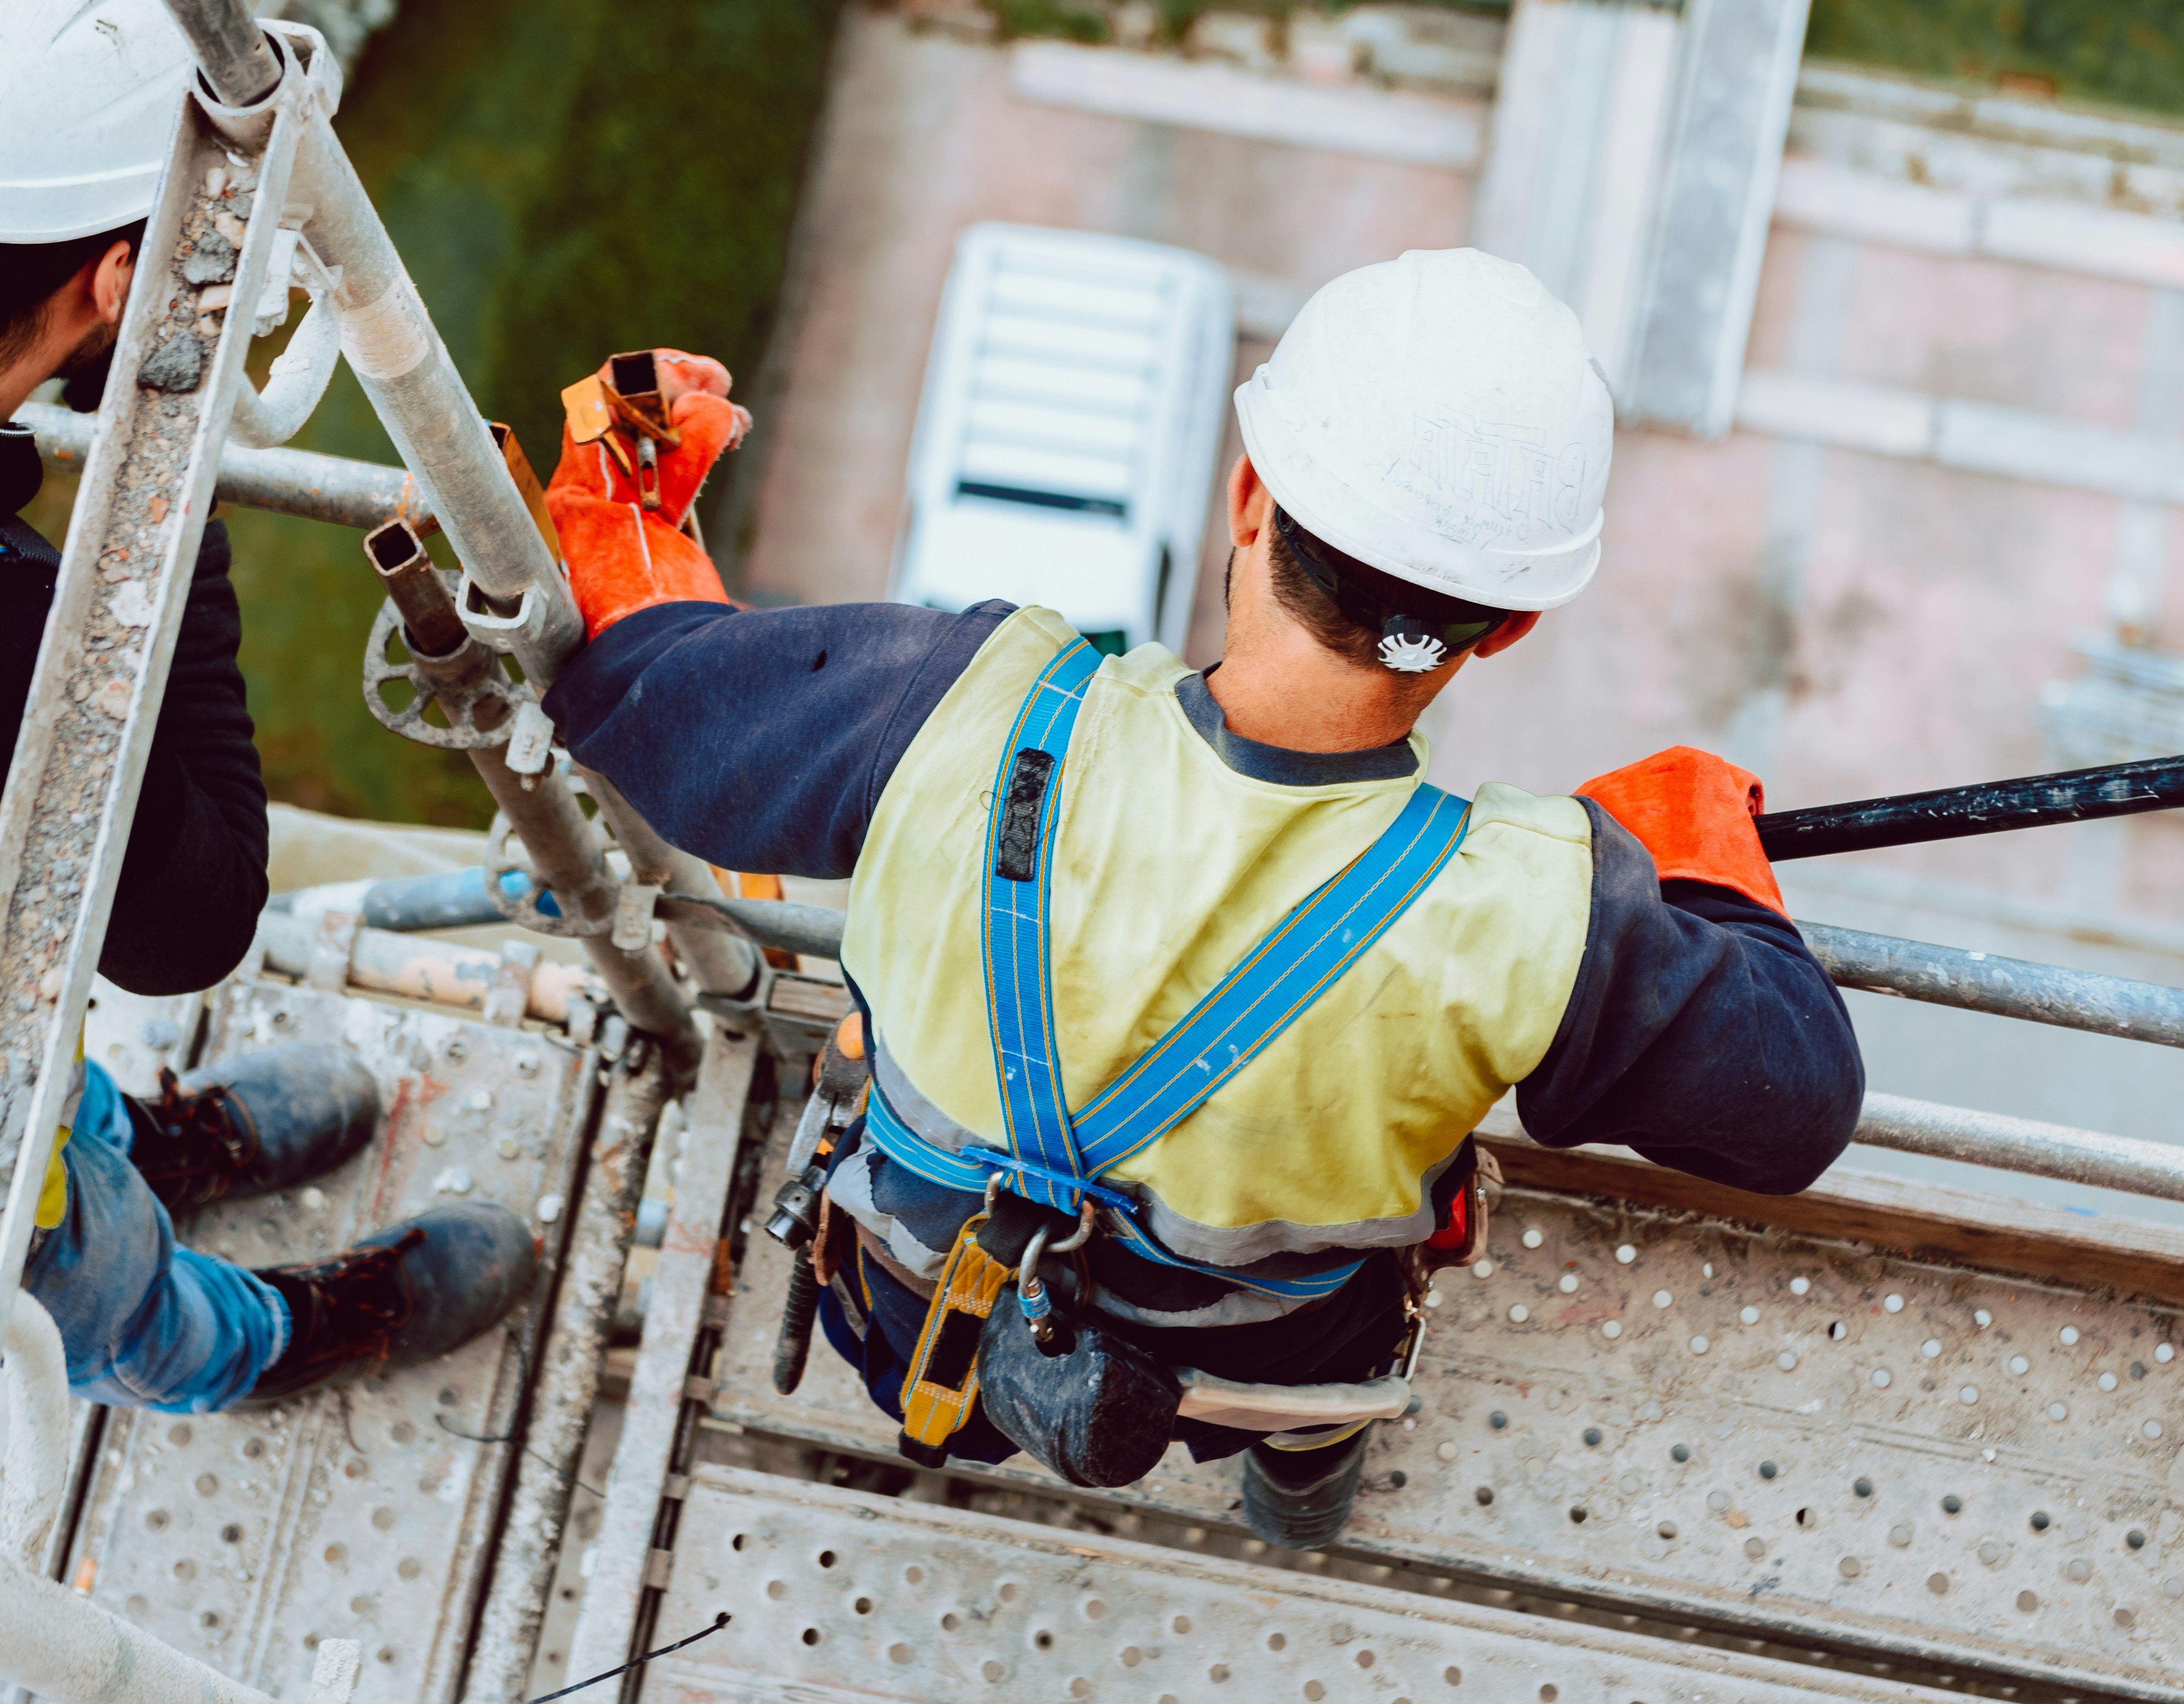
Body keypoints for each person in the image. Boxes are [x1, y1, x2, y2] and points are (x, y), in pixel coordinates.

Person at [543, 250, 1864, 1546]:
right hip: (1265, 1358)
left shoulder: (951, 708)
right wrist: (1684, 851)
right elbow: (1794, 1101)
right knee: (1321, 1393)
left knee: (938, 1353)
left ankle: (938, 1437)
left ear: (1247, 499)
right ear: (1507, 624)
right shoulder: (1527, 914)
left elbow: (644, 702)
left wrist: (630, 521)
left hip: (912, 1294)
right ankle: (1301, 1487)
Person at [1, 0, 533, 1410]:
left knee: (63, 1092)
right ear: (121, 277)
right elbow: (191, 922)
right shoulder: (5, 632)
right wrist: (175, 520)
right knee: (89, 1272)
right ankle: (254, 1344)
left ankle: (136, 1135)